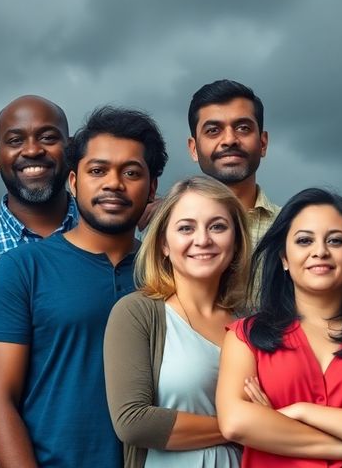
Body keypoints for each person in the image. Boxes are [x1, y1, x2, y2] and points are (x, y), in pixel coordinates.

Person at [0, 106, 167, 468]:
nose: (114, 183)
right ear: (74, 181)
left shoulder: (167, 274)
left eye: (131, 172)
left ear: (152, 187)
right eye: (98, 170)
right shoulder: (23, 267)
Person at [216, 188, 342, 466]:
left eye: (336, 241)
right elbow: (235, 422)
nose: (320, 252)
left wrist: (297, 413)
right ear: (283, 258)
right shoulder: (245, 337)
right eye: (304, 241)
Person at [104, 176, 251, 467]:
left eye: (218, 226)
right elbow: (133, 422)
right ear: (164, 244)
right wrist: (241, 427)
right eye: (186, 228)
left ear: (235, 241)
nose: (203, 239)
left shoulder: (252, 323)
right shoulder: (137, 313)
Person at [0, 95, 78, 276]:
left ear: (71, 150)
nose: (32, 151)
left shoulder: (107, 231)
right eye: (16, 140)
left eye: (47, 137)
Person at [187, 79, 279, 248]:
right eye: (213, 130)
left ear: (263, 143)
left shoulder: (291, 228)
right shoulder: (169, 227)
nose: (229, 140)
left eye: (243, 128)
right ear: (194, 149)